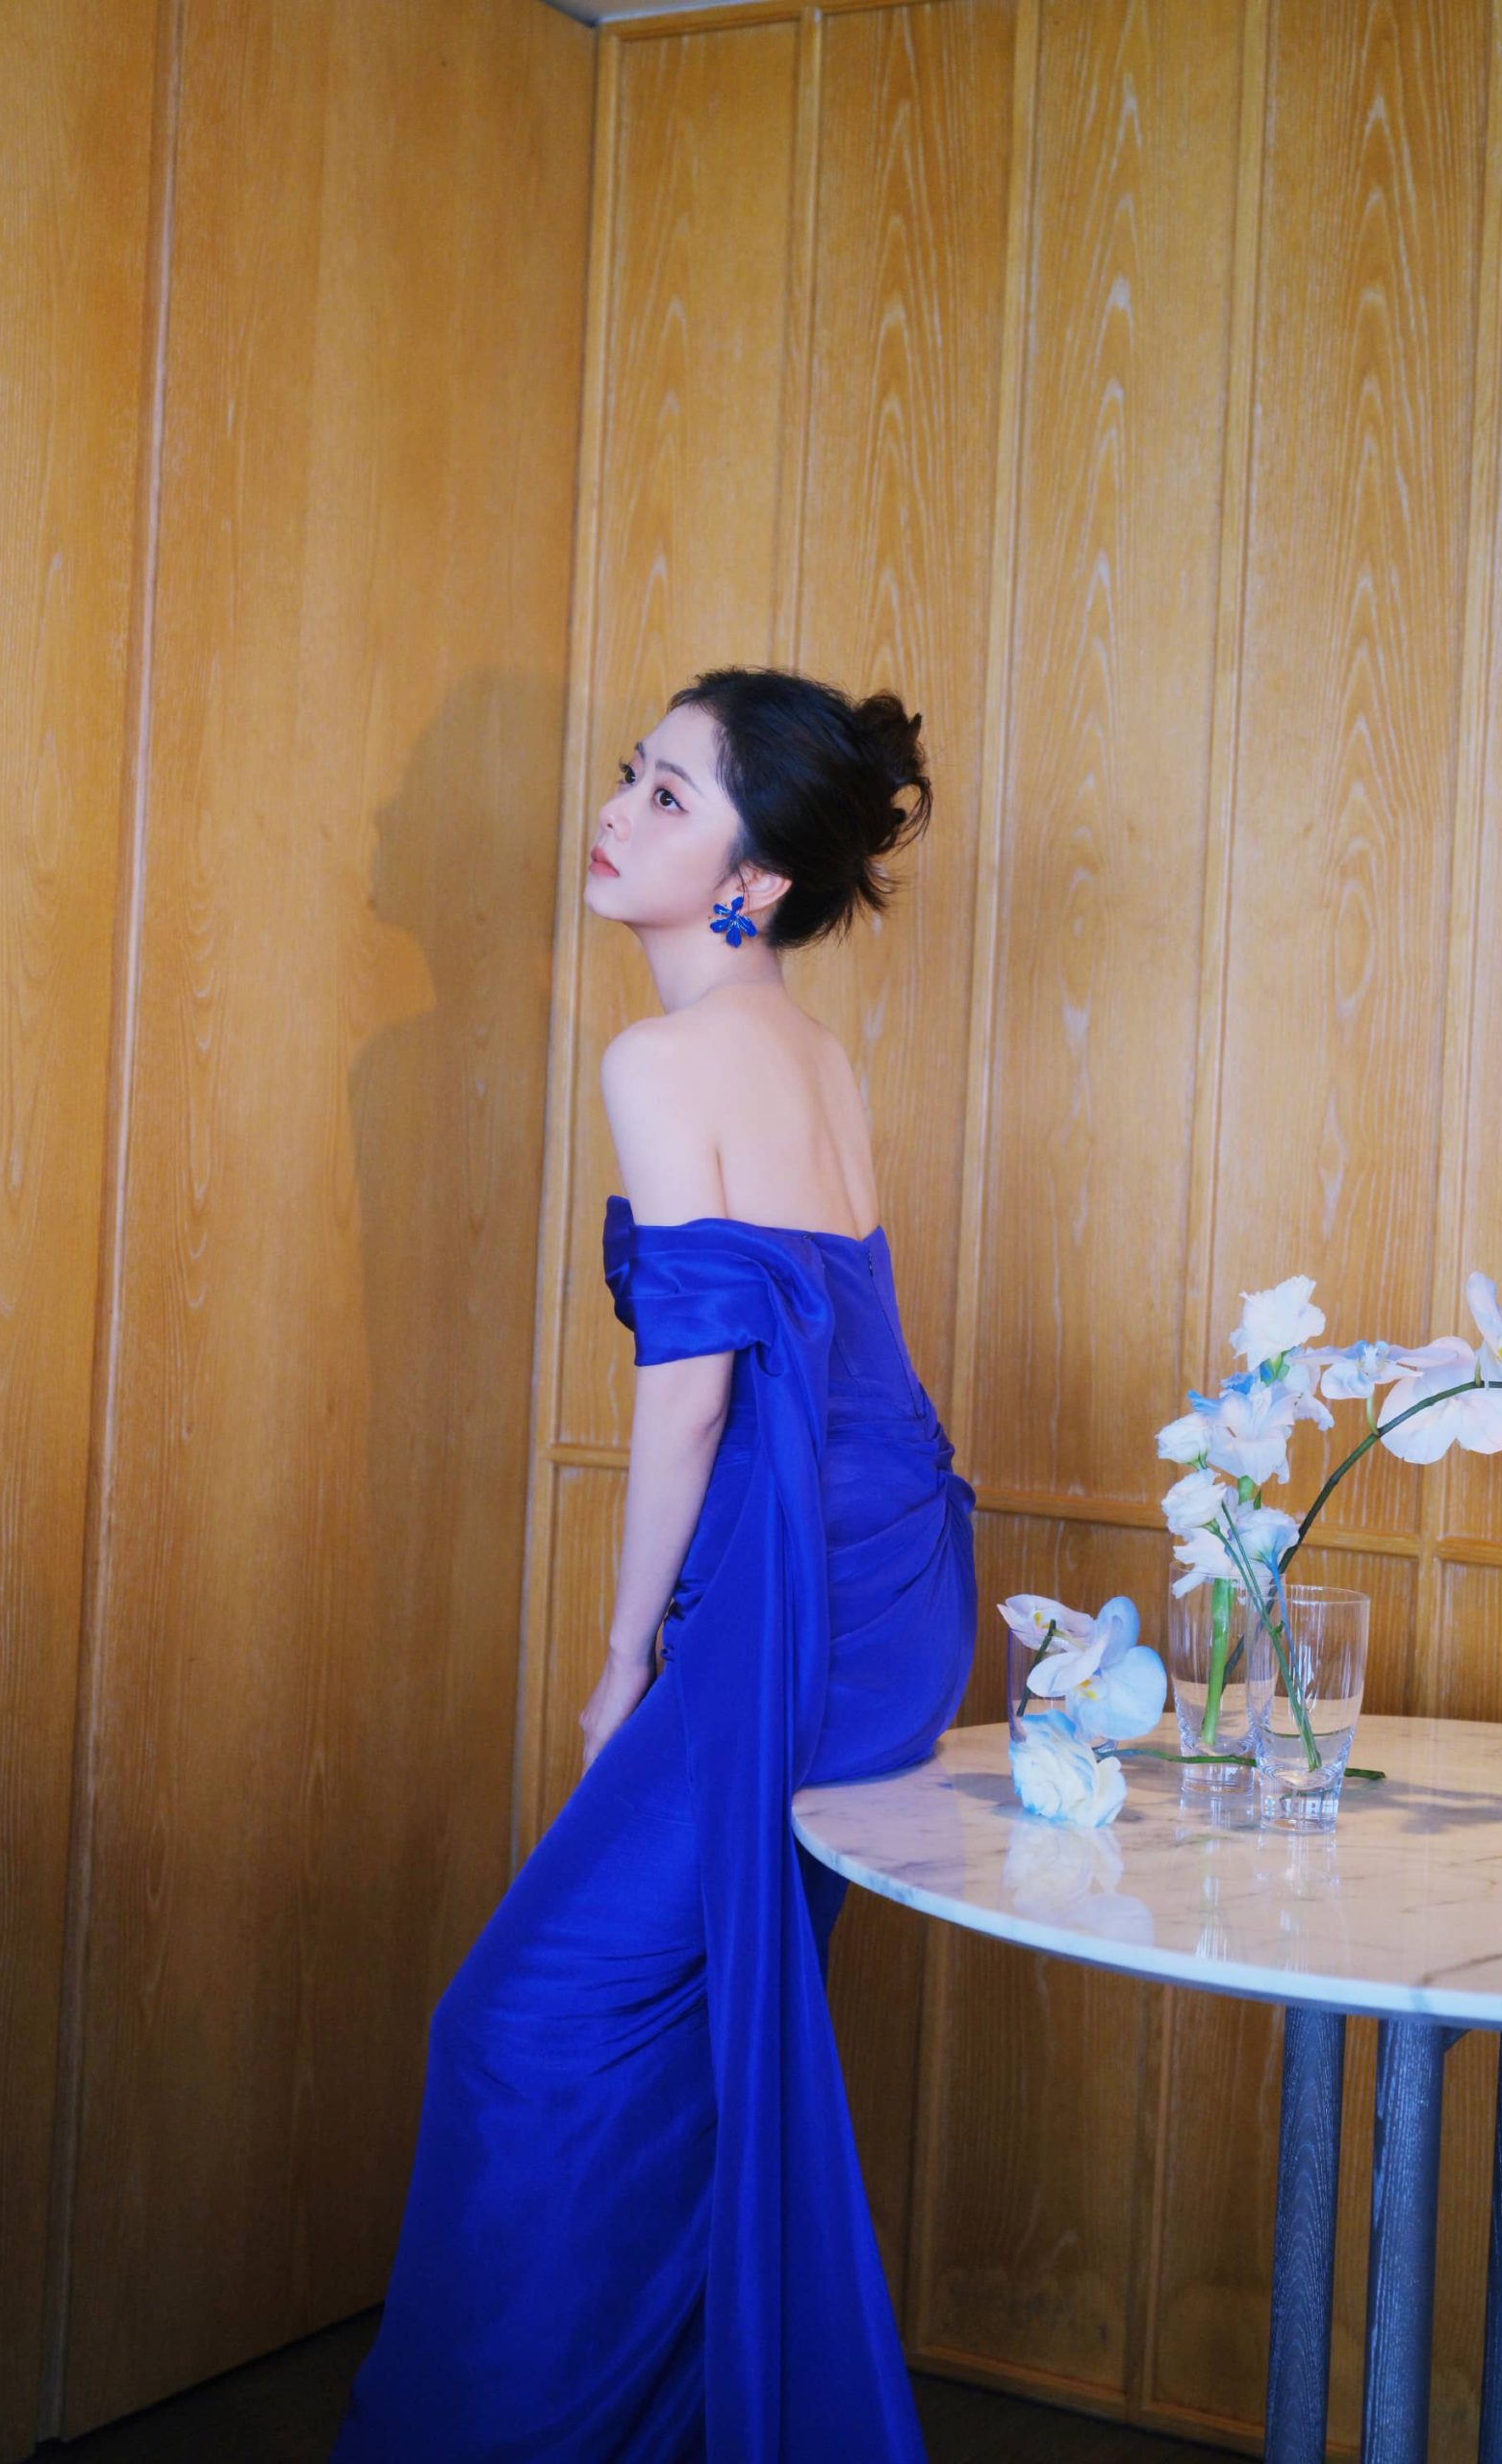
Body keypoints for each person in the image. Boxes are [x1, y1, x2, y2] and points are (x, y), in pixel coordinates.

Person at [330, 666, 979, 2462]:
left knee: (516, 2032)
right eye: (634, 776)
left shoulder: (662, 1058)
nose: (617, 813)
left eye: (671, 799)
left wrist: (626, 1661)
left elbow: (693, 1397)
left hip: (796, 1590)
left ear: (754, 882)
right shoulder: (813, 1056)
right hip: (897, 1569)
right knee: (689, 2032)